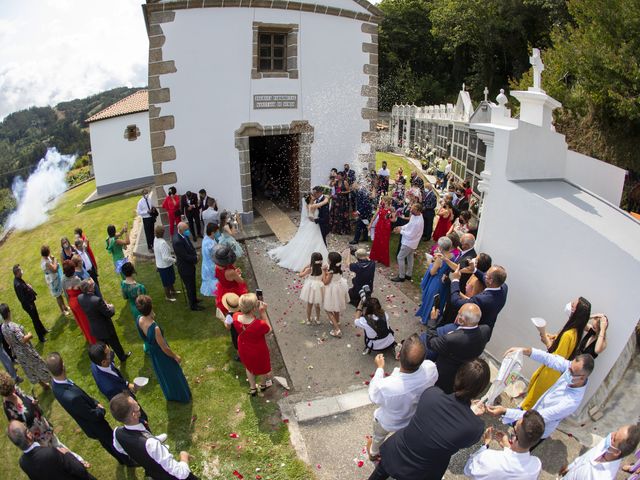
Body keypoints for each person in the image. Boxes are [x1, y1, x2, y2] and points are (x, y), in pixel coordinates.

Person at [368, 358, 490, 480]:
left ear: (458, 377)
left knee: (379, 474)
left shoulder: (432, 394)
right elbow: (463, 441)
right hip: (423, 472)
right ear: (480, 390)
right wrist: (471, 415)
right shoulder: (475, 427)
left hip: (397, 451)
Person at [486, 346, 594, 442]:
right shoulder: (571, 369)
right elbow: (549, 358)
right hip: (532, 413)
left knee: (519, 449)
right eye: (569, 367)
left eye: (572, 372)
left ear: (582, 377)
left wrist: (505, 411)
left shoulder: (571, 402)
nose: (567, 371)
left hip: (538, 429)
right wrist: (525, 351)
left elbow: (538, 417)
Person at [46, 352, 135, 466]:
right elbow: (92, 415)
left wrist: (94, 402)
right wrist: (101, 410)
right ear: (63, 366)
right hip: (95, 425)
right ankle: (127, 461)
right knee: (110, 441)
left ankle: (121, 460)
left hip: (89, 420)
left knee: (106, 442)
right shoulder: (72, 397)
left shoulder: (55, 384)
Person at [366, 335, 437, 460]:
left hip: (387, 421)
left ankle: (373, 453)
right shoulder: (431, 369)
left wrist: (380, 369)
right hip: (411, 419)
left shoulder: (387, 386)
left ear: (398, 356)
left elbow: (373, 395)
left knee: (378, 438)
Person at [520, 296, 592, 410]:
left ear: (575, 312)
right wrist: (553, 337)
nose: (570, 305)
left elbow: (556, 358)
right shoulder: (575, 332)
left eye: (573, 305)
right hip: (551, 373)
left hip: (549, 374)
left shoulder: (568, 335)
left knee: (530, 403)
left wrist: (545, 338)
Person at [110, 393, 198, 479]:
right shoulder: (151, 444)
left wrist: (141, 452)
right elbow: (181, 474)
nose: (138, 404)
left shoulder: (117, 433)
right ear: (134, 414)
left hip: (153, 472)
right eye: (136, 405)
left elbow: (120, 449)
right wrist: (184, 457)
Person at [422, 303, 490, 393]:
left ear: (462, 320)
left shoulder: (452, 339)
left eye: (459, 313)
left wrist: (432, 321)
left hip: (445, 374)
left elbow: (431, 343)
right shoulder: (486, 330)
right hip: (464, 370)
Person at [135, 295, 191, 403]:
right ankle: (181, 396)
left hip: (153, 353)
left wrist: (151, 315)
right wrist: (175, 356)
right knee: (173, 373)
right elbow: (164, 348)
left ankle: (170, 395)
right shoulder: (155, 328)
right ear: (151, 307)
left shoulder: (139, 319)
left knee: (163, 374)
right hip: (161, 353)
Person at [463, 410, 545, 479]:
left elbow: (468, 470)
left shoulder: (488, 457)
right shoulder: (536, 466)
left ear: (515, 435)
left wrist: (485, 445)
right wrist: (508, 446)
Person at [7, 420, 96, 480]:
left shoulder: (23, 463)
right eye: (25, 427)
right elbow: (80, 471)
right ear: (29, 435)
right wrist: (67, 454)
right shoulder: (50, 452)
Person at [87, 343, 150, 427]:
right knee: (141, 418)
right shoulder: (109, 387)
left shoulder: (96, 362)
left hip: (120, 386)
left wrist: (127, 384)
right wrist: (141, 420)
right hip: (125, 400)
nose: (112, 353)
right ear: (103, 362)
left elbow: (115, 375)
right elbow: (124, 406)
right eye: (109, 354)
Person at [268, 193, 329, 272]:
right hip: (313, 226)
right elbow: (324, 202)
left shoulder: (312, 204)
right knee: (313, 241)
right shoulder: (312, 206)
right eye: (312, 196)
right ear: (309, 199)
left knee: (314, 241)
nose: (313, 196)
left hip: (313, 225)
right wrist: (326, 198)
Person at [560, 424, 640, 480]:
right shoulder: (606, 444)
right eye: (616, 431)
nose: (611, 434)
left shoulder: (603, 477)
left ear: (616, 452)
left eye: (614, 438)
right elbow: (585, 457)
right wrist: (570, 467)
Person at [1, 371, 59, 446]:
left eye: (12, 387)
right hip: (37, 436)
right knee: (52, 453)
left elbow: (26, 399)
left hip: (43, 425)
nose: (13, 390)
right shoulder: (9, 409)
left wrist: (33, 402)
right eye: (10, 391)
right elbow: (20, 428)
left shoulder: (16, 390)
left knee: (57, 443)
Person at [78, 279, 131, 363]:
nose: (94, 286)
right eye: (92, 285)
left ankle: (110, 362)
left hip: (95, 329)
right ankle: (122, 357)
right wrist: (111, 307)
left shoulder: (80, 298)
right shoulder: (96, 300)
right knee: (115, 344)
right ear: (90, 289)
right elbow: (109, 313)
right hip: (106, 327)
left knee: (102, 349)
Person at [233, 293, 273, 397]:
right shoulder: (259, 324)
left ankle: (252, 388)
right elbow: (269, 330)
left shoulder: (235, 317)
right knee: (263, 366)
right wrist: (263, 312)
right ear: (254, 308)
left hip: (243, 347)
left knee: (249, 367)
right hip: (258, 349)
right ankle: (263, 385)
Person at [0, 304, 50, 388]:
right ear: (8, 313)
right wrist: (29, 335)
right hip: (26, 350)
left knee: (29, 369)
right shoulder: (13, 326)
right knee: (39, 364)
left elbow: (7, 341)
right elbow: (22, 340)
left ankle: (44, 385)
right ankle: (51, 381)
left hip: (18, 353)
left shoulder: (3, 327)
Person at [449, 265, 508, 334]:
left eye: (486, 274)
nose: (484, 274)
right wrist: (474, 270)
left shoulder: (482, 299)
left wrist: (455, 280)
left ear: (491, 280)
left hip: (474, 333)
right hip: (486, 331)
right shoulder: (503, 287)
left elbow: (456, 302)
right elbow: (484, 278)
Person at [415, 236, 458, 324]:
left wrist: (430, 263)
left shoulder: (440, 258)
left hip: (436, 282)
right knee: (440, 302)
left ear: (441, 247)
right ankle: (435, 320)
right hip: (444, 284)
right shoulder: (452, 256)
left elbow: (432, 272)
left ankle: (426, 320)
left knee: (431, 301)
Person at [62, 260, 96, 344]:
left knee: (81, 322)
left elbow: (66, 294)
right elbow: (83, 291)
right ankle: (93, 339)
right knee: (86, 321)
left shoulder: (63, 279)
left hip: (72, 303)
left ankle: (88, 338)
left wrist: (69, 303)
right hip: (79, 302)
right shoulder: (76, 279)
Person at [173, 221, 203, 311]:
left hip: (190, 266)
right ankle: (193, 305)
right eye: (186, 230)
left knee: (192, 284)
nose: (188, 231)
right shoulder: (177, 241)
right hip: (185, 268)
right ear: (181, 230)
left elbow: (190, 247)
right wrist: (196, 258)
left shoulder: (183, 236)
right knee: (189, 286)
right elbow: (185, 256)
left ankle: (194, 299)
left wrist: (195, 254)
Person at [13, 264, 47, 343]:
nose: (21, 271)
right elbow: (23, 298)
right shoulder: (17, 284)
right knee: (35, 320)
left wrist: (28, 287)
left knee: (37, 317)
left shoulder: (18, 279)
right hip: (28, 305)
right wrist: (30, 305)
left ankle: (43, 330)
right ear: (17, 272)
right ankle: (41, 337)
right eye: (20, 270)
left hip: (30, 303)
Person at [391, 203, 424, 282]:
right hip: (412, 242)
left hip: (409, 242)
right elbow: (409, 225)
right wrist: (401, 227)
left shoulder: (418, 222)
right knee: (410, 257)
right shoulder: (414, 215)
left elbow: (411, 235)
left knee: (400, 257)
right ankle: (409, 275)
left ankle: (401, 276)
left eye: (413, 209)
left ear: (418, 211)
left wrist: (400, 231)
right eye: (411, 208)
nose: (411, 210)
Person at [214, 246, 248, 316]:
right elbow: (241, 281)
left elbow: (225, 276)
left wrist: (234, 273)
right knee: (235, 304)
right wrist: (238, 275)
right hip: (232, 290)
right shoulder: (230, 272)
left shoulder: (216, 266)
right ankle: (236, 316)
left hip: (223, 288)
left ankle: (229, 316)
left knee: (227, 305)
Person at [322, 252, 349, 338]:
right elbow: (332, 276)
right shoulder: (338, 268)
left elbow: (325, 282)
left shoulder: (331, 271)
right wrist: (327, 271)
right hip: (339, 288)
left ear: (330, 261)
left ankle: (337, 330)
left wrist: (323, 271)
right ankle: (337, 321)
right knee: (336, 307)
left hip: (332, 289)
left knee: (328, 309)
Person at [40, 245, 71, 316]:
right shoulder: (46, 262)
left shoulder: (45, 259)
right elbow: (54, 269)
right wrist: (55, 261)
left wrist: (51, 259)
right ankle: (62, 310)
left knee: (60, 293)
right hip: (53, 280)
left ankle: (65, 307)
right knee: (58, 295)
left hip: (54, 278)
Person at [153, 224, 179, 302]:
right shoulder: (162, 243)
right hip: (164, 266)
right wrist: (174, 260)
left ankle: (173, 291)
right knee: (166, 282)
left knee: (170, 279)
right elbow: (165, 258)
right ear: (163, 232)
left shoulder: (155, 239)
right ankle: (168, 296)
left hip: (161, 264)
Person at [298, 252, 325, 325]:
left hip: (310, 287)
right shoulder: (322, 269)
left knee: (309, 305)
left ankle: (309, 320)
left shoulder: (309, 269)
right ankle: (318, 319)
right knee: (317, 304)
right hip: (318, 287)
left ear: (312, 260)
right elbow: (323, 279)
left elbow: (300, 275)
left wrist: (304, 267)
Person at [369, 196, 395, 267]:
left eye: (383, 200)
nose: (382, 201)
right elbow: (374, 216)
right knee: (377, 241)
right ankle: (376, 257)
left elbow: (394, 219)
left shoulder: (391, 209)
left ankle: (383, 259)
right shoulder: (380, 208)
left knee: (384, 243)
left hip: (386, 227)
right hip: (379, 226)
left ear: (386, 201)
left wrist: (388, 218)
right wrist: (371, 224)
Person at [200, 222, 220, 298]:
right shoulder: (210, 244)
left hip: (206, 264)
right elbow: (217, 254)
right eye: (217, 232)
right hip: (211, 265)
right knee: (214, 282)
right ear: (212, 233)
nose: (218, 233)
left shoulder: (206, 238)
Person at [221, 293, 241, 360]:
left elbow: (228, 327)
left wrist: (224, 321)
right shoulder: (242, 309)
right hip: (242, 329)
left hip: (235, 332)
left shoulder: (229, 316)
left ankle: (240, 357)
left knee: (237, 345)